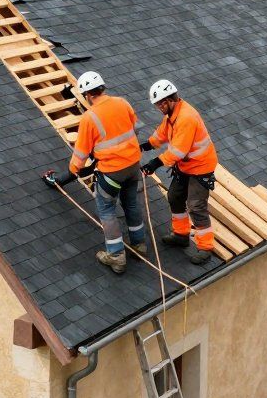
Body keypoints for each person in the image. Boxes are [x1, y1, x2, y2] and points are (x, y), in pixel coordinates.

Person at [43, 71, 145, 275]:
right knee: (131, 203)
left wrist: (68, 174)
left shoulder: (89, 118)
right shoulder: (122, 103)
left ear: (88, 95)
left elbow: (80, 156)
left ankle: (116, 256)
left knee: (107, 211)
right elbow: (136, 129)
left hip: (112, 173)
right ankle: (139, 245)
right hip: (133, 166)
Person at [141, 80, 218, 264]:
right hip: (186, 165)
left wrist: (154, 163)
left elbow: (178, 151)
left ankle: (205, 247)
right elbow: (162, 133)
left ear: (169, 100)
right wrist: (146, 145)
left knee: (196, 206)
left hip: (201, 167)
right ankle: (181, 235)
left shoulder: (186, 118)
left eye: (160, 104)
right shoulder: (172, 115)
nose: (159, 108)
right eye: (157, 105)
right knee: (175, 196)